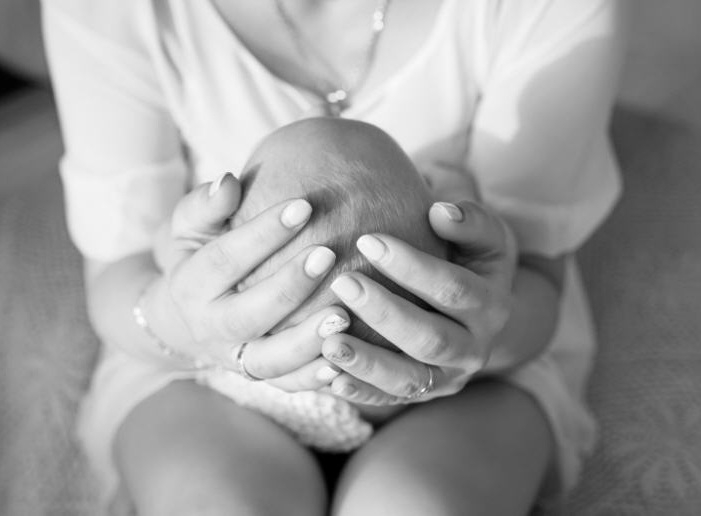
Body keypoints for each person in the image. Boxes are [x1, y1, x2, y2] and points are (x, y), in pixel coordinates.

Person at [42, 0, 628, 514]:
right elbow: (119, 276)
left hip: (480, 367)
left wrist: (476, 335)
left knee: (421, 507)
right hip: (202, 370)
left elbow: (535, 280)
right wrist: (178, 320)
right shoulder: (115, 9)